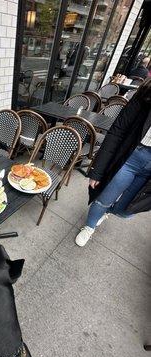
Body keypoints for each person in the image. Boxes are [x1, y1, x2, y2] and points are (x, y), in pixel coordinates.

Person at [75, 77, 151, 247]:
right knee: (104, 199)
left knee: (125, 211)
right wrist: (98, 169)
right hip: (131, 158)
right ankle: (89, 226)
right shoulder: (146, 92)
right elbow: (118, 130)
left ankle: (107, 211)